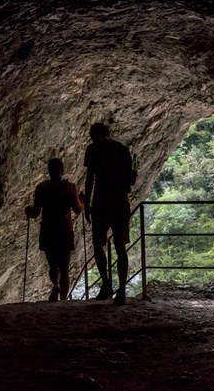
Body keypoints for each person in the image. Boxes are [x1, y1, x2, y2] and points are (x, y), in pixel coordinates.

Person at [83, 122, 133, 305]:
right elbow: (130, 177)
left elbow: (90, 178)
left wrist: (86, 202)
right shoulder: (121, 148)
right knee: (120, 246)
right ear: (108, 133)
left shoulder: (93, 149)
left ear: (93, 135)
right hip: (120, 200)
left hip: (101, 201)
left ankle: (105, 283)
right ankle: (121, 290)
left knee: (98, 244)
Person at [25, 158, 84, 302]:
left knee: (53, 265)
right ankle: (63, 299)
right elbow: (77, 210)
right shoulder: (70, 187)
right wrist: (81, 200)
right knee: (64, 268)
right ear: (62, 170)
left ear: (49, 171)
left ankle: (56, 285)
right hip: (65, 230)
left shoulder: (41, 188)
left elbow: (35, 213)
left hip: (48, 230)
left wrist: (28, 211)